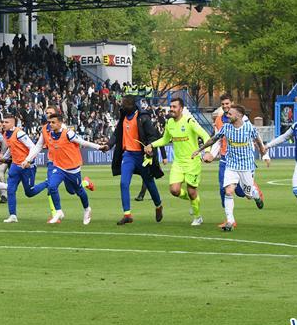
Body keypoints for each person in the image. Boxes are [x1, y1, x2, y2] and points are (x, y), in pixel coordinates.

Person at [193, 104, 267, 231]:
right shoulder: (226, 128)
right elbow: (213, 139)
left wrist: (263, 152)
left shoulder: (249, 128)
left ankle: (256, 196)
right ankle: (230, 221)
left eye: (230, 114)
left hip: (246, 166)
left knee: (247, 194)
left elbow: (258, 141)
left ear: (239, 115)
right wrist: (200, 149)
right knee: (228, 190)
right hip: (231, 165)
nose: (227, 115)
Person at [24, 113, 107, 224]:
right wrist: (28, 160)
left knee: (77, 191)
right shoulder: (49, 134)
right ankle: (58, 211)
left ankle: (87, 209)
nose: (50, 125)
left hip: (73, 169)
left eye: (53, 122)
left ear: (60, 123)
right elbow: (39, 146)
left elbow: (82, 142)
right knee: (52, 186)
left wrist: (99, 147)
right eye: (49, 122)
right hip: (59, 167)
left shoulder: (68, 133)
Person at [147, 98, 209, 226]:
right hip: (178, 163)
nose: (172, 109)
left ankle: (198, 217)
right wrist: (151, 145)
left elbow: (205, 135)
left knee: (192, 191)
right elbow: (165, 140)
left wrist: (207, 151)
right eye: (171, 106)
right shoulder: (169, 122)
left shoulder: (189, 121)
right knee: (174, 190)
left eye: (175, 107)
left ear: (181, 108)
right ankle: (194, 201)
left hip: (192, 162)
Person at [107, 95, 164, 225]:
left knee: (149, 183)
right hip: (128, 156)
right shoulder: (123, 117)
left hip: (141, 156)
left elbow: (152, 136)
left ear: (133, 106)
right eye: (122, 104)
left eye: (125, 104)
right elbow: (117, 133)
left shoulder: (143, 117)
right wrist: (109, 144)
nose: (123, 106)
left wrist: (149, 147)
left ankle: (158, 205)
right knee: (123, 183)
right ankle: (127, 214)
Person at [0, 115, 40, 223]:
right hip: (15, 166)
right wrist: (4, 158)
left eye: (6, 122)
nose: (4, 124)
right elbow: (11, 148)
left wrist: (28, 160)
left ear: (13, 123)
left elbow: (33, 147)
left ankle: (47, 183)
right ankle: (12, 215)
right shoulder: (5, 134)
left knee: (29, 192)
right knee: (10, 190)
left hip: (27, 167)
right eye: (3, 122)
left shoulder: (19, 133)